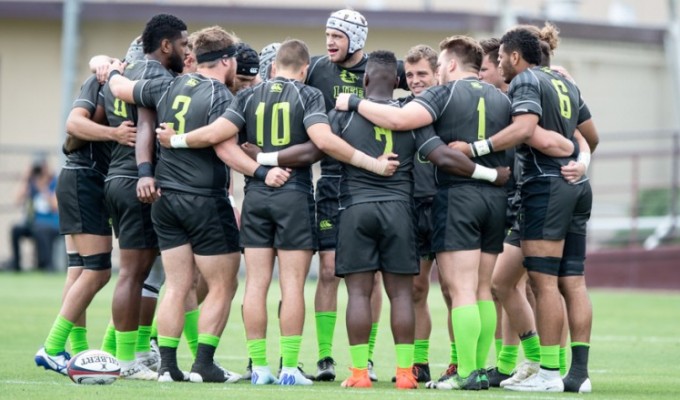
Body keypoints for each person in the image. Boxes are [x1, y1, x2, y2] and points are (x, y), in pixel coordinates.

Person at [155, 38, 401, 386]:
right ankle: (288, 369)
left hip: (256, 195)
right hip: (293, 195)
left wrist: (177, 139)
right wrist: (371, 164)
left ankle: (259, 368)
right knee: (292, 286)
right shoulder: (308, 95)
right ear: (303, 70)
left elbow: (218, 136)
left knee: (255, 284)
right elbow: (324, 142)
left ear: (272, 69)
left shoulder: (246, 96)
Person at [331, 49, 510, 390]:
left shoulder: (351, 115)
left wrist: (263, 161)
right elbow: (443, 153)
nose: (417, 81)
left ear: (365, 79)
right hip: (408, 209)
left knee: (365, 292)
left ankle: (361, 372)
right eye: (409, 77)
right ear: (399, 81)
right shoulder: (489, 100)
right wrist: (493, 174)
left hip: (374, 207)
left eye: (431, 70)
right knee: (414, 292)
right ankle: (411, 371)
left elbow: (318, 144)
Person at [108, 25, 245, 383]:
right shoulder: (221, 96)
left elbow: (121, 87)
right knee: (222, 285)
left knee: (177, 284)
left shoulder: (167, 84)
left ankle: (168, 367)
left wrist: (106, 68)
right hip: (203, 199)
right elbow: (221, 142)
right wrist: (261, 172)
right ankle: (204, 363)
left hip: (164, 200)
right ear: (226, 60)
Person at [461, 26, 595, 393]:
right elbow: (589, 137)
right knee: (537, 282)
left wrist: (474, 148)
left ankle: (550, 373)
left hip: (546, 189)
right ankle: (573, 373)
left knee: (544, 284)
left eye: (497, 60)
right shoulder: (563, 80)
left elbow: (525, 129)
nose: (495, 67)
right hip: (574, 187)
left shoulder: (525, 81)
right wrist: (580, 157)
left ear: (514, 56)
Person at [306, 9, 410, 381]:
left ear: (357, 40)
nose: (330, 41)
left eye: (338, 35)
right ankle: (324, 358)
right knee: (330, 270)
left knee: (371, 277)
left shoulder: (383, 68)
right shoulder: (317, 69)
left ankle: (363, 360)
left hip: (377, 184)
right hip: (333, 179)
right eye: (327, 34)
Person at [34, 50, 135, 375]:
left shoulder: (124, 82)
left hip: (84, 178)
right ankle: (52, 347)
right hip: (84, 177)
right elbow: (73, 123)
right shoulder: (102, 80)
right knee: (98, 271)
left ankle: (74, 353)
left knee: (78, 269)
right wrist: (114, 133)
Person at [102, 13, 189, 380]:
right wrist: (146, 172)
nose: (187, 50)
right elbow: (145, 129)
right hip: (138, 180)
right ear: (166, 45)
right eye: (183, 44)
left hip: (119, 177)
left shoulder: (121, 71)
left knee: (141, 273)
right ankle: (125, 361)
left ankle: (136, 349)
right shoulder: (155, 75)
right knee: (133, 274)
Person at [5, 157, 60, 272]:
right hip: (34, 223)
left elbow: (56, 206)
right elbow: (17, 200)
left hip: (51, 225)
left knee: (41, 229)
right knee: (16, 229)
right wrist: (25, 178)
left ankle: (46, 266)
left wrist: (43, 187)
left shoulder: (55, 181)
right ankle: (16, 264)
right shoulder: (31, 183)